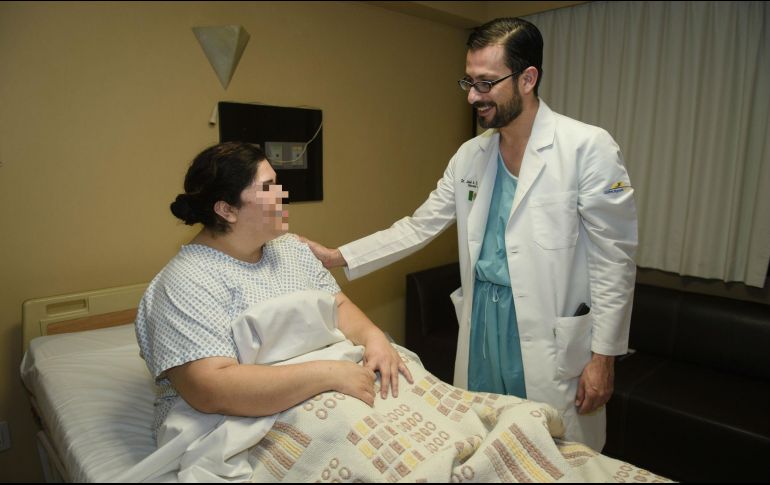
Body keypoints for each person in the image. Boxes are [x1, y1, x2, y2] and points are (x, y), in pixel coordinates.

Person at [302, 17, 637, 451]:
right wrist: (337, 256)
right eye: (468, 82)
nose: (473, 96)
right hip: (483, 328)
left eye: (485, 83)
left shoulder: (587, 148)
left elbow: (615, 260)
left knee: (551, 452)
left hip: (547, 334)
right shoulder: (470, 156)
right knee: (486, 440)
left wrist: (603, 357)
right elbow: (419, 225)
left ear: (528, 78)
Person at [134, 141, 412, 435]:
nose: (283, 195)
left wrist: (374, 339)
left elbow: (338, 306)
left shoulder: (291, 249)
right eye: (268, 188)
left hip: (339, 379)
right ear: (227, 209)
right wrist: (328, 374)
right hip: (247, 418)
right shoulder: (185, 282)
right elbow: (210, 389)